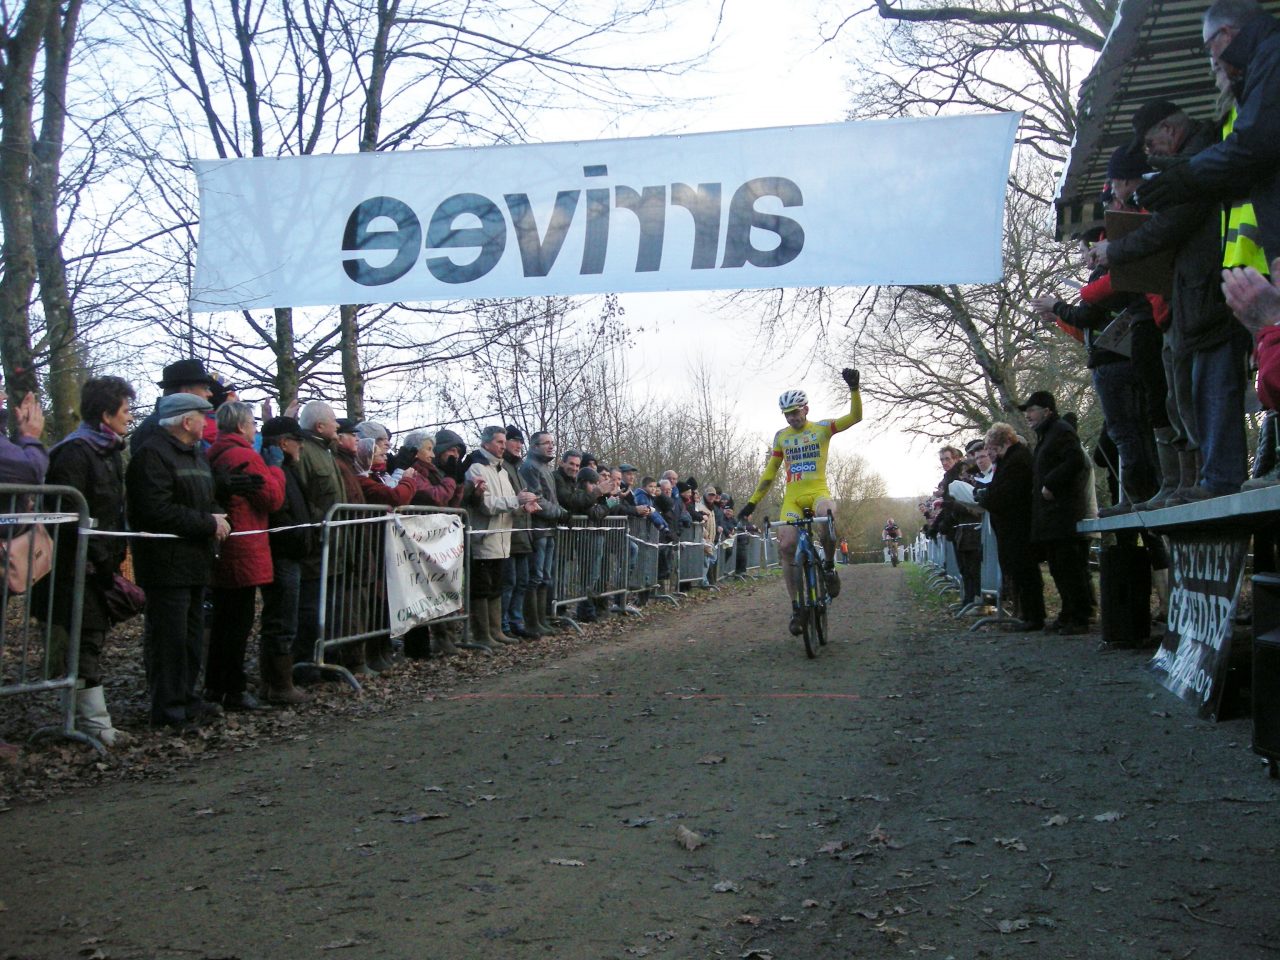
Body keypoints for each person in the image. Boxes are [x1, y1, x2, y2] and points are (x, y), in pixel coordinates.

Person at [1137, 0, 1280, 263]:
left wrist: (1186, 176)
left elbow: (1253, 145)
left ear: (1225, 34)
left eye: (1208, 48)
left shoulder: (1271, 60)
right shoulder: (1262, 65)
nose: (1212, 59)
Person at [35, 377, 134, 747]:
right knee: (83, 642)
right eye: (125, 410)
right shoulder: (75, 453)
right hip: (71, 570)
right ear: (106, 414)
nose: (129, 417)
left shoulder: (108, 452)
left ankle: (83, 719)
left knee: (89, 640)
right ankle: (94, 725)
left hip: (96, 566)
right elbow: (67, 516)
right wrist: (95, 558)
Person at [126, 393, 230, 728]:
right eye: (203, 416)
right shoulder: (151, 455)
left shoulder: (197, 456)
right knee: (168, 640)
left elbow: (207, 497)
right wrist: (208, 523)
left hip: (195, 562)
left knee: (190, 638)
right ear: (187, 421)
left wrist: (215, 513)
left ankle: (188, 699)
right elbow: (154, 511)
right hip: (165, 565)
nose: (207, 423)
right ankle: (168, 709)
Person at [737, 368, 862, 635]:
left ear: (806, 409)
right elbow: (770, 472)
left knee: (827, 515)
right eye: (787, 414)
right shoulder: (782, 437)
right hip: (792, 499)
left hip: (817, 493)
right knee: (787, 546)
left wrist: (854, 389)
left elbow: (854, 417)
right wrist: (752, 503)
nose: (792, 417)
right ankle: (796, 607)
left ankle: (828, 566)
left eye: (796, 412)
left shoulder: (821, 429)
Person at [205, 401, 286, 709]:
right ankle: (234, 687)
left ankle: (216, 684)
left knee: (224, 620)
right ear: (241, 426)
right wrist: (276, 469)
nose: (255, 430)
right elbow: (272, 498)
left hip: (226, 545)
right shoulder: (244, 456)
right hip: (244, 546)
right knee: (237, 622)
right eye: (252, 424)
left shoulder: (214, 453)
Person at [1020, 391, 1096, 634]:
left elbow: (1076, 462)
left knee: (1069, 566)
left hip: (1063, 514)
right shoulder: (1048, 434)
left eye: (1031, 410)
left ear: (1047, 411)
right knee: (1058, 567)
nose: (1028, 415)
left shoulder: (1061, 431)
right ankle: (1067, 612)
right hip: (1050, 515)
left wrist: (1051, 483)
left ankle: (1080, 616)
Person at [462, 426, 539, 652]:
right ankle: (482, 633)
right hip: (484, 539)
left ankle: (496, 630)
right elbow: (486, 504)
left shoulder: (503, 472)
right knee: (482, 588)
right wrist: (516, 501)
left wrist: (524, 507)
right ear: (486, 444)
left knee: (496, 587)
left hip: (502, 539)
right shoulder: (476, 468)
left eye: (504, 442)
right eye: (499, 442)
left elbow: (508, 505)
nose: (503, 446)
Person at [257, 416, 313, 704]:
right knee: (281, 618)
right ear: (283, 443)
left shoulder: (286, 469)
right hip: (282, 553)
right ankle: (278, 683)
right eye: (297, 440)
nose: (300, 446)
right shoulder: (275, 470)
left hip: (288, 552)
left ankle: (276, 680)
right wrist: (297, 540)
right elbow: (279, 511)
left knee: (282, 617)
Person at [975, 423, 1045, 632]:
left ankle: (1033, 615)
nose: (992, 454)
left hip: (1018, 527)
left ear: (1005, 442)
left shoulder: (1016, 462)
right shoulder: (1014, 460)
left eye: (994, 449)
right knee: (1021, 572)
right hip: (1013, 526)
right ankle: (1028, 614)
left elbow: (1006, 495)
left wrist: (986, 498)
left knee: (1025, 571)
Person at [520, 431, 570, 638]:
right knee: (536, 576)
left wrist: (558, 512)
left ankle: (541, 619)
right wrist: (561, 513)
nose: (551, 446)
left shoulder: (545, 468)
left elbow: (551, 498)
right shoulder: (530, 467)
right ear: (534, 446)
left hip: (548, 528)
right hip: (538, 528)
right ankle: (532, 622)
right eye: (546, 443)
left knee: (546, 576)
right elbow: (537, 499)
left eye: (552, 443)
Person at [129, 358, 217, 454]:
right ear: (186, 392)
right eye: (205, 388)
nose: (210, 394)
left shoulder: (169, 425)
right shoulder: (159, 428)